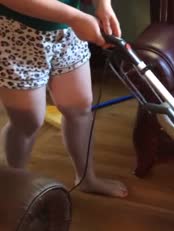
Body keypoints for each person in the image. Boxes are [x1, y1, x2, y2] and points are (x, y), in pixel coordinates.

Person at [0, 0, 127, 197]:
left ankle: (86, 179)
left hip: (68, 32)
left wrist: (103, 5)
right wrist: (74, 17)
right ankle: (16, 187)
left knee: (80, 108)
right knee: (27, 121)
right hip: (14, 34)